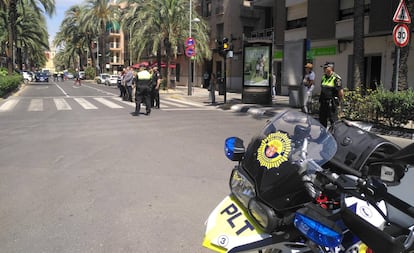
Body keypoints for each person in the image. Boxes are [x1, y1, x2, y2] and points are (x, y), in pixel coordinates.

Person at [318, 62, 344, 127]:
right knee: (322, 120)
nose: (324, 69)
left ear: (331, 68)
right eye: (324, 68)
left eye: (325, 68)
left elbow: (340, 92)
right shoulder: (324, 77)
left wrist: (340, 103)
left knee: (333, 121)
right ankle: (323, 135)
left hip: (331, 103)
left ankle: (334, 135)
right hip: (323, 102)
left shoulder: (336, 78)